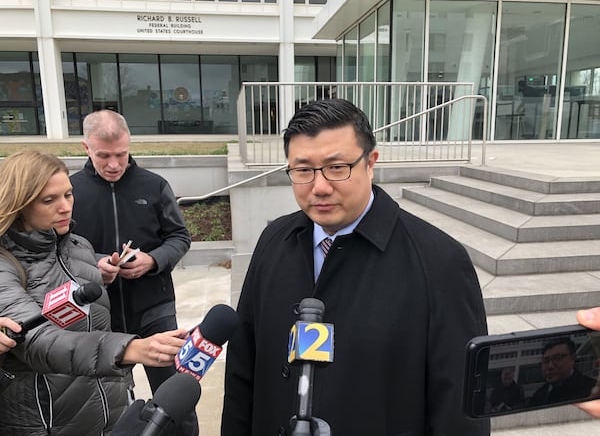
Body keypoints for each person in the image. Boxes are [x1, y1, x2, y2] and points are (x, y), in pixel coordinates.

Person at [221, 98, 490, 435]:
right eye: (303, 170)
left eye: (337, 167)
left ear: (370, 162)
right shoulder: (274, 241)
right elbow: (243, 370)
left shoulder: (439, 261)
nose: (319, 187)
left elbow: (460, 410)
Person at [0, 150, 188, 435]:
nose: (65, 207)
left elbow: (95, 325)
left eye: (68, 195)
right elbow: (40, 342)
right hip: (50, 423)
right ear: (19, 204)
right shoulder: (5, 266)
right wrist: (129, 349)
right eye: (49, 200)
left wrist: (124, 390)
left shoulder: (80, 248)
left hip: (111, 418)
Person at [69, 109, 196, 434]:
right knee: (112, 405)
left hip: (155, 310)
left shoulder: (154, 185)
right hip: (98, 318)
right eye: (103, 155)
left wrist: (152, 260)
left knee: (175, 400)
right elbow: (61, 247)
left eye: (121, 154)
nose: (113, 164)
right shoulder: (71, 192)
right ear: (86, 148)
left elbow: (180, 237)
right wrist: (94, 264)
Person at [528, 337, 596, 407]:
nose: (550, 366)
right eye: (546, 360)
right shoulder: (539, 395)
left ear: (573, 358)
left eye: (558, 358)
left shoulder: (591, 390)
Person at [575, 307, 600, 418]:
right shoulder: (541, 393)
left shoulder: (585, 385)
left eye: (559, 357)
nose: (551, 365)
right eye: (546, 360)